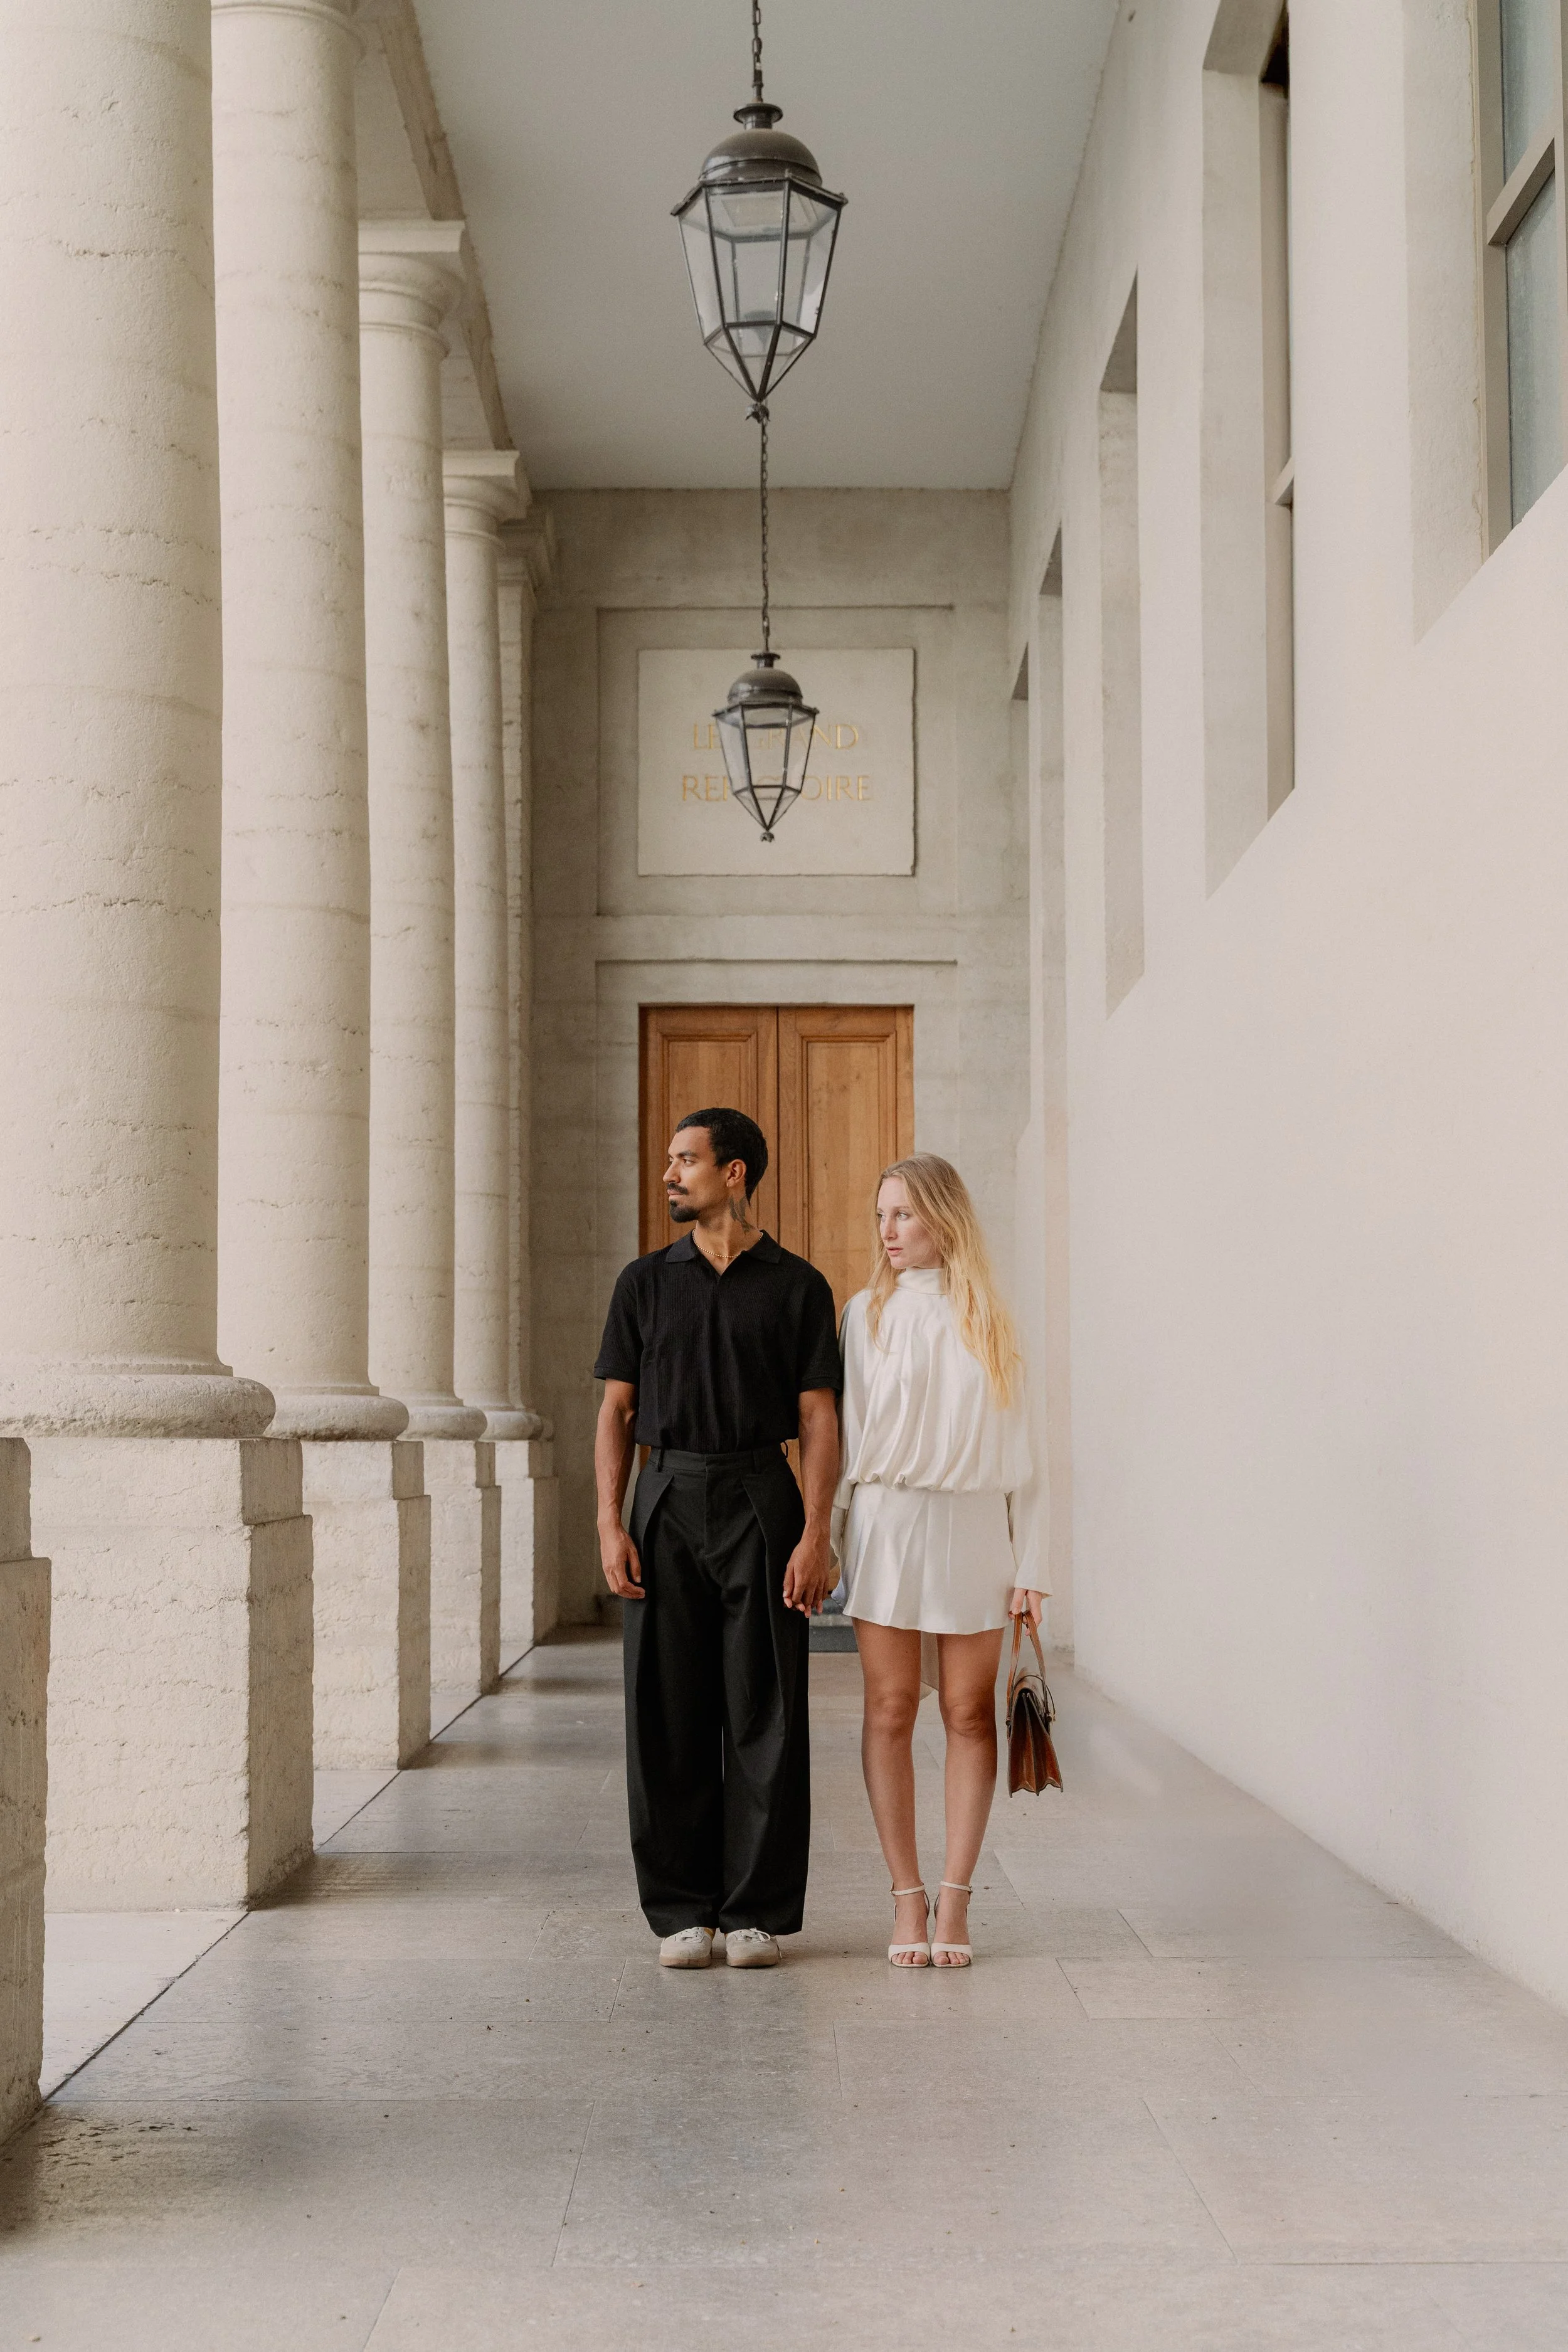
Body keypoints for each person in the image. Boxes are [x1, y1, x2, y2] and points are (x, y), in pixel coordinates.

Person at [594, 1106, 842, 1970]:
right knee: (665, 1708)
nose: (670, 1173)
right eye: (669, 1159)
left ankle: (757, 1911)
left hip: (761, 1495)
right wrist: (609, 1520)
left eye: (686, 1159)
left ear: (734, 1173)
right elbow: (617, 1411)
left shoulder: (799, 1285)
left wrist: (817, 1531)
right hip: (665, 1491)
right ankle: (680, 1912)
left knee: (764, 1705)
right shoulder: (643, 1283)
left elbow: (818, 1418)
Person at [835, 1154, 1046, 1968]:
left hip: (971, 1529)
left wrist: (1033, 1561)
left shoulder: (993, 1316)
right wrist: (827, 1538)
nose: (887, 1231)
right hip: (886, 1526)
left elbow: (1035, 1457)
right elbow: (848, 1440)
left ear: (943, 1221)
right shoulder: (864, 1315)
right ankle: (905, 1895)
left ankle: (955, 1900)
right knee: (889, 1708)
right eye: (881, 1215)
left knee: (967, 1711)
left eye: (903, 1215)